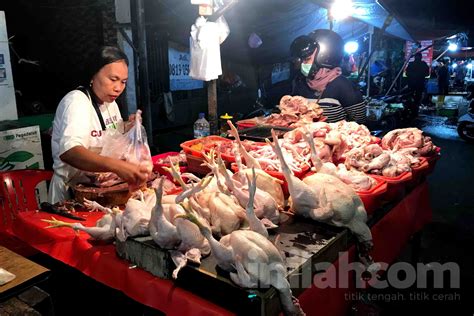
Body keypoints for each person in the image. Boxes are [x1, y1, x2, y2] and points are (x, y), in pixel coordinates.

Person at [49, 46, 150, 203]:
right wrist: (117, 166)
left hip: (101, 191)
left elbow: (106, 134)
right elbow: (70, 152)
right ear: (93, 75)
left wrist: (126, 128)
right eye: (113, 79)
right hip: (73, 195)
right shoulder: (77, 101)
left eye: (123, 82)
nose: (118, 88)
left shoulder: (111, 103)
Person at [290, 29, 366, 123]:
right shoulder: (299, 83)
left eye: (307, 59)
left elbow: (360, 121)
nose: (302, 64)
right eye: (301, 60)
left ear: (324, 57)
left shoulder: (342, 85)